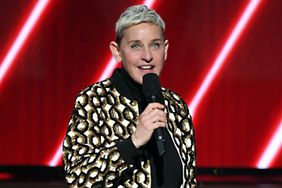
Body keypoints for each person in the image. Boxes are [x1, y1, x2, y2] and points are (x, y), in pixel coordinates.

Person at [63, 4, 197, 188]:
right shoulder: (94, 101)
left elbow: (189, 181)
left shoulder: (176, 106)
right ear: (117, 51)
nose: (147, 56)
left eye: (155, 45)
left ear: (165, 49)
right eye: (136, 46)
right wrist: (133, 142)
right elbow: (77, 180)